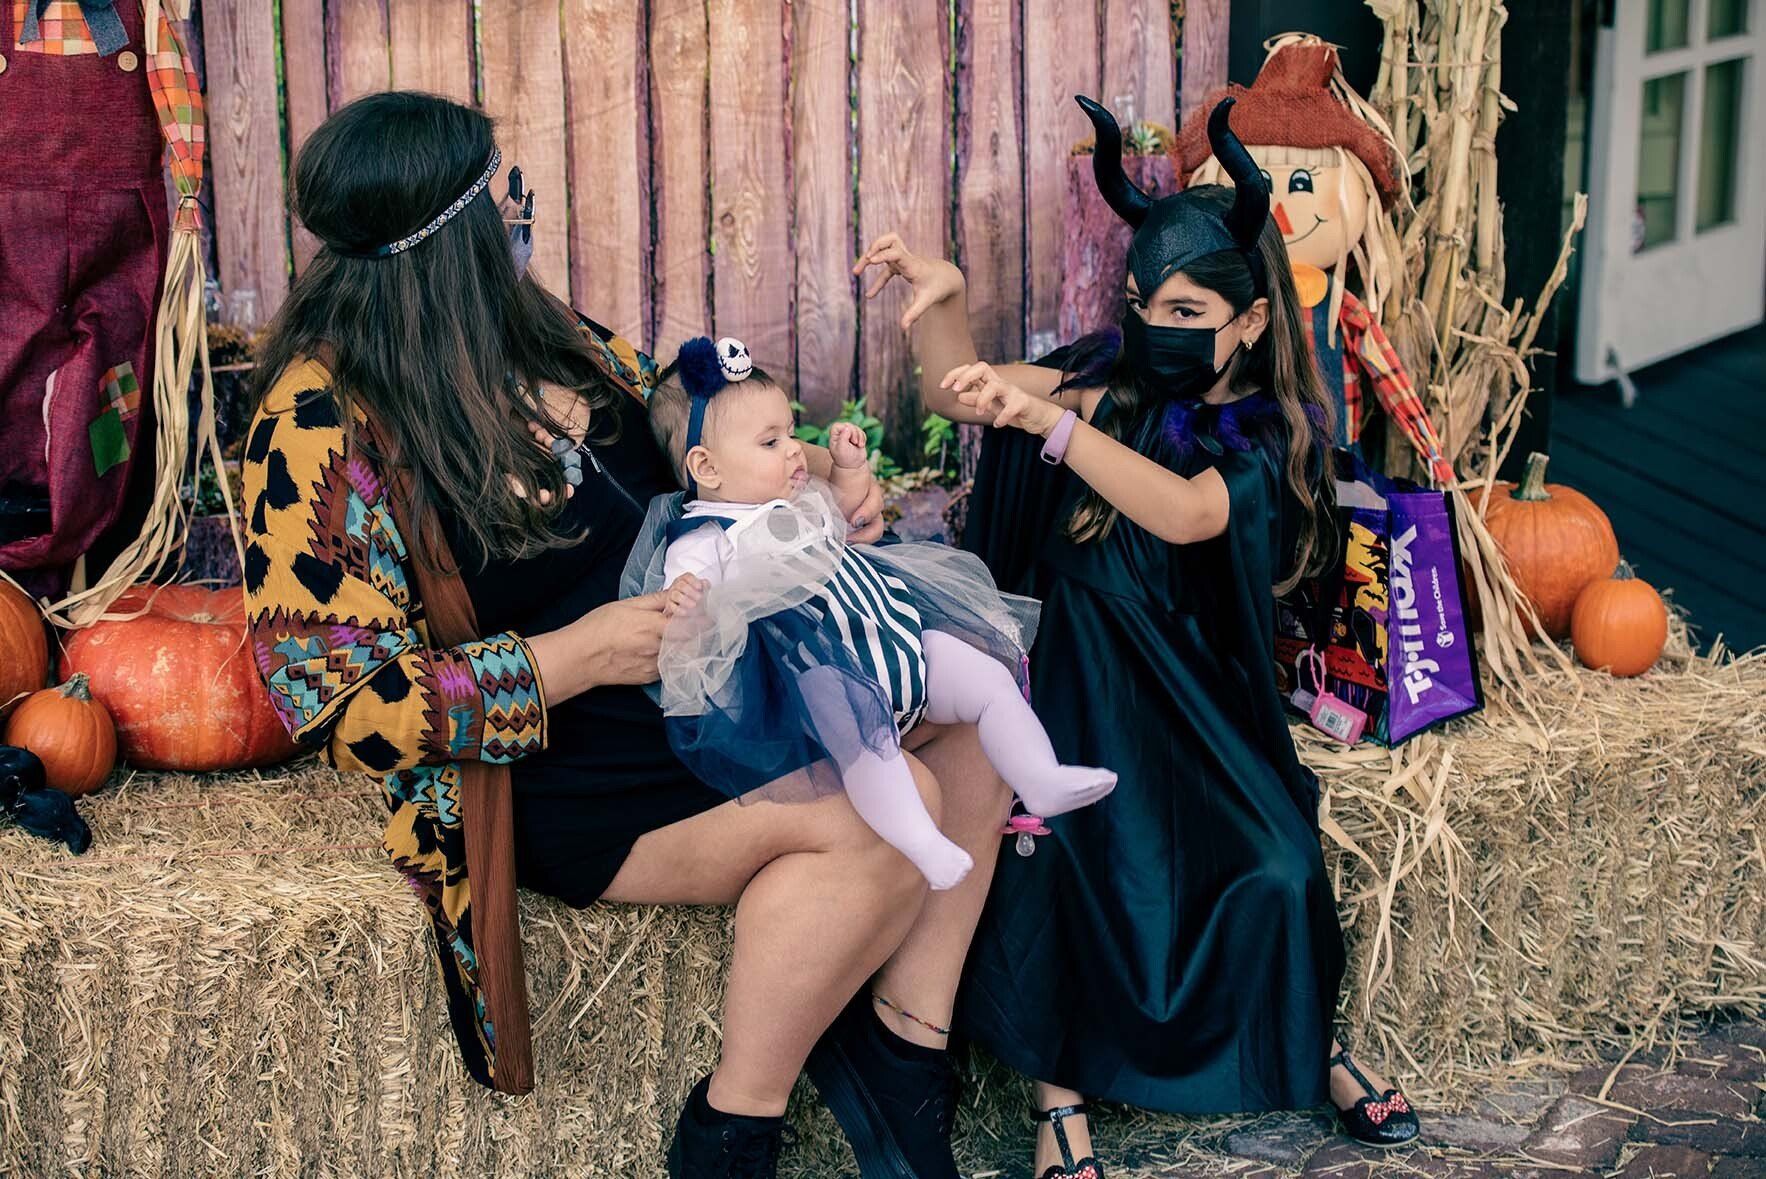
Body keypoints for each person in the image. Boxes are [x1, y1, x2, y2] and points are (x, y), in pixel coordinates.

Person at [241, 91, 1012, 1179]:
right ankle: (731, 1129)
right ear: (450, 238)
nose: (523, 210)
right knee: (895, 816)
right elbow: (339, 704)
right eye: (504, 195)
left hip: (723, 679)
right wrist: (575, 657)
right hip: (570, 760)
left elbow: (706, 467)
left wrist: (810, 505)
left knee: (980, 717)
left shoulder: (555, 337)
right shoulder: (321, 420)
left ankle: (900, 1052)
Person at [853, 97, 1421, 1179]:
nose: (1154, 324)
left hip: (1194, 699)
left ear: (1247, 323)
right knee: (1053, 860)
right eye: (1138, 303)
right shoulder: (1103, 383)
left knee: (1275, 867)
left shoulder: (1267, 438)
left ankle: (1311, 1046)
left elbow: (1185, 513)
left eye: (1183, 307)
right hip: (1072, 676)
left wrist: (1057, 428)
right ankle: (1057, 1102)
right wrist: (947, 304)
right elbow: (962, 392)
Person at [625, 336, 1116, 891]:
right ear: (705, 467)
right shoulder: (702, 539)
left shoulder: (797, 498)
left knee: (985, 677)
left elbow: (849, 510)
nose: (793, 450)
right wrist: (691, 610)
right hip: (820, 670)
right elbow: (691, 640)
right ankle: (924, 845)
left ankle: (1041, 776)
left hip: (888, 631)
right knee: (865, 744)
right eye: (770, 441)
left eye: (790, 432)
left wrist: (850, 467)